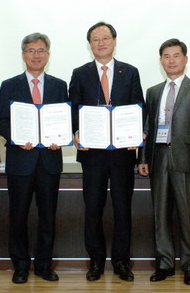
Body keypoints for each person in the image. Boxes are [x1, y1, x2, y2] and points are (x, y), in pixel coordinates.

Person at [69, 21, 144, 282]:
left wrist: (138, 133)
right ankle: (96, 261)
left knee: (122, 209)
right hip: (92, 154)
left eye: (105, 38)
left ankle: (122, 262)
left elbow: (138, 106)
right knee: (93, 209)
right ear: (89, 44)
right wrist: (75, 132)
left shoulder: (130, 72)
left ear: (114, 41)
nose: (101, 43)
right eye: (95, 39)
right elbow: (73, 108)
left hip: (123, 153)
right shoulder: (80, 73)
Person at [138, 38, 190, 286]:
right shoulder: (153, 92)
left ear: (185, 59)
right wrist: (143, 158)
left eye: (176, 55)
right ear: (161, 61)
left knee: (189, 216)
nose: (171, 60)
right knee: (160, 216)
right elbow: (147, 128)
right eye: (166, 56)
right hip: (158, 159)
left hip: (187, 161)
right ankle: (165, 264)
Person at [0, 33, 69, 284]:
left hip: (49, 160)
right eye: (31, 51)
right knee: (18, 216)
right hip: (20, 161)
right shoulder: (9, 85)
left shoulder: (59, 85)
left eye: (41, 50)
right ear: (23, 55)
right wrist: (15, 138)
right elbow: (0, 120)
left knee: (47, 216)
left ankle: (44, 265)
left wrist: (61, 137)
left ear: (48, 55)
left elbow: (66, 119)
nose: (36, 55)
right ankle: (20, 266)